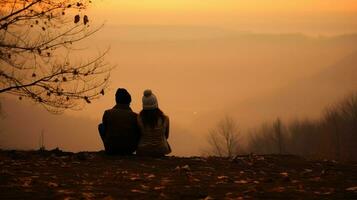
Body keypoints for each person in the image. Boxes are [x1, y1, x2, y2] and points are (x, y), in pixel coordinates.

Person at [98, 88, 140, 155]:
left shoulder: (107, 113)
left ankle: (110, 147)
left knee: (101, 126)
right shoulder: (135, 116)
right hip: (129, 149)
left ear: (116, 100)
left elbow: (105, 129)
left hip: (111, 149)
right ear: (129, 101)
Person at [136, 89, 171, 156]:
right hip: (161, 150)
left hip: (143, 150)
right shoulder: (165, 119)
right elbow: (166, 136)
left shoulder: (139, 118)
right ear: (156, 103)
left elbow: (138, 135)